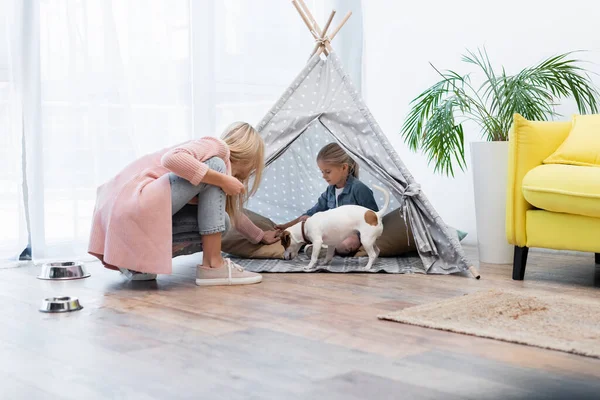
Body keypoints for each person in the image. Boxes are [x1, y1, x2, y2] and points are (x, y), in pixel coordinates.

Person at [88, 122, 280, 286]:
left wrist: (259, 236)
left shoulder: (214, 179)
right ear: (250, 159)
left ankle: (136, 266)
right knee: (216, 168)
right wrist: (221, 179)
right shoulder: (217, 148)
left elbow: (232, 214)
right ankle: (214, 265)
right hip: (134, 202)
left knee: (223, 220)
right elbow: (171, 158)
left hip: (122, 216)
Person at [275, 142, 378, 256]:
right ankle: (313, 246)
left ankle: (323, 250)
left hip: (352, 232)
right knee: (304, 219)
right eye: (322, 171)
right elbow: (311, 212)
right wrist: (286, 226)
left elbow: (373, 217)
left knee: (346, 243)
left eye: (327, 172)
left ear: (344, 167)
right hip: (333, 232)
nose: (323, 176)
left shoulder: (359, 189)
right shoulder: (330, 191)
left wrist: (360, 235)